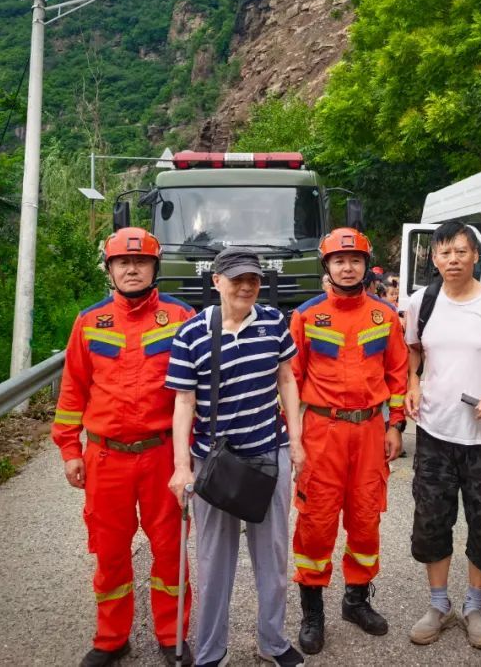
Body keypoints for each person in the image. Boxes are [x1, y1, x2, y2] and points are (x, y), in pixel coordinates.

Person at [52, 227, 196, 667]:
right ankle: (112, 638)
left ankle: (172, 637)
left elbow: (198, 392)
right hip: (105, 457)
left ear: (155, 268)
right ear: (110, 270)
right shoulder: (89, 321)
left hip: (162, 457)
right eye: (122, 263)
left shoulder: (181, 317)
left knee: (170, 551)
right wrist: (70, 450)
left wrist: (190, 456)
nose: (131, 268)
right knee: (110, 553)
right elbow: (73, 391)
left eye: (140, 262)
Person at [167, 248, 307, 667]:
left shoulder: (273, 324)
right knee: (213, 563)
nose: (246, 286)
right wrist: (180, 466)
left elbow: (287, 378)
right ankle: (211, 651)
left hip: (270, 454)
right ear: (217, 282)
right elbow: (183, 402)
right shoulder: (191, 334)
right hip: (216, 464)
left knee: (273, 557)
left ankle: (273, 641)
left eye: (253, 279)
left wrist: (296, 441)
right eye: (236, 279)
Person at [404, 221, 481, 650]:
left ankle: (474, 606)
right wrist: (412, 383)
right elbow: (413, 349)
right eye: (444, 253)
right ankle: (439, 604)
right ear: (434, 258)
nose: (453, 260)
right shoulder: (423, 301)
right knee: (431, 521)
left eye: (461, 251)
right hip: (436, 433)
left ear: (475, 255)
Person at [290, 228, 409, 655]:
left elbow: (398, 374)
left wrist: (396, 424)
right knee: (316, 525)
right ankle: (313, 612)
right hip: (322, 433)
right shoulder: (305, 316)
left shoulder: (384, 315)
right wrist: (293, 437)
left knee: (365, 520)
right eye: (339, 260)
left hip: (370, 432)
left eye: (355, 260)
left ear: (364, 265)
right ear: (327, 266)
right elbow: (291, 380)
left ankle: (356, 600)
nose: (347, 266)